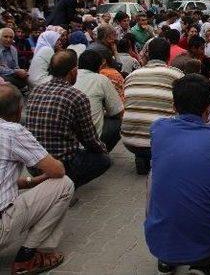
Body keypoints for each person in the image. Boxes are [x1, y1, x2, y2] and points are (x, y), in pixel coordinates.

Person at [145, 74, 210, 275]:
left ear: (174, 107)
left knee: (154, 177)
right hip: (208, 244)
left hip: (157, 240)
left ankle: (167, 259)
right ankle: (203, 266)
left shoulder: (157, 129)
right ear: (208, 108)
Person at [0, 84, 75, 275]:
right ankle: (29, 256)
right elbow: (57, 171)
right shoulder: (12, 131)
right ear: (19, 110)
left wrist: (29, 182)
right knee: (64, 184)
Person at [25, 50, 111, 188]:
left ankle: (49, 183)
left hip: (34, 163)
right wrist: (103, 149)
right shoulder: (76, 96)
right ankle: (65, 187)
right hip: (61, 164)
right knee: (104, 161)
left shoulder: (35, 90)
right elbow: (89, 138)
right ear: (73, 71)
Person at [121, 38, 184, 175]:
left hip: (129, 140)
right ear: (168, 55)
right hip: (161, 141)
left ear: (148, 54)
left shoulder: (131, 76)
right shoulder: (177, 74)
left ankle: (142, 155)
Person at [73, 50, 124, 152]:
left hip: (67, 140)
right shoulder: (101, 79)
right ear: (100, 66)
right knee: (118, 122)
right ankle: (101, 154)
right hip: (90, 139)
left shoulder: (71, 77)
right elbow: (118, 111)